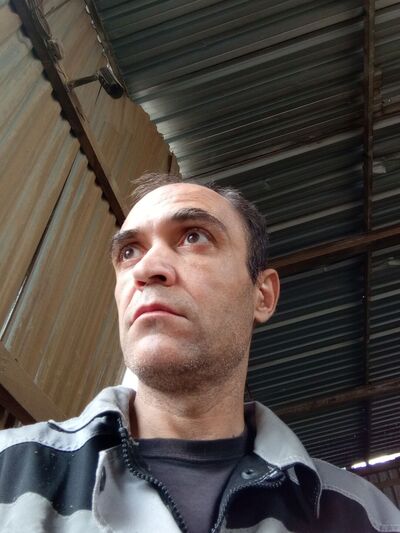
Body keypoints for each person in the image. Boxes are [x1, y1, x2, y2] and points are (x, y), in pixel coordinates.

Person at [0, 173, 399, 533]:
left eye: (194, 237)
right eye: (129, 252)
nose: (146, 269)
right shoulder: (9, 470)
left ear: (262, 295)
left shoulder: (364, 518)